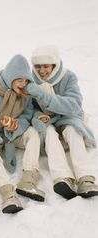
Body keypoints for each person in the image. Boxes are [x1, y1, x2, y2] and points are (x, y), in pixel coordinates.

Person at [26, 45, 98, 199]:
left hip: (69, 116)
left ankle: (85, 177)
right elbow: (29, 108)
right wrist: (38, 117)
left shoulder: (68, 77)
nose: (42, 71)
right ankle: (62, 177)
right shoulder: (30, 81)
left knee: (73, 131)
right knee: (50, 134)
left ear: (54, 64)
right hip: (48, 120)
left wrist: (44, 96)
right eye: (38, 66)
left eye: (46, 66)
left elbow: (74, 104)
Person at [0, 54, 45, 206]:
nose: (23, 84)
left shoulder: (25, 95)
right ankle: (8, 194)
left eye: (26, 80)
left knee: (33, 133)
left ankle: (29, 179)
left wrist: (17, 125)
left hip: (12, 134)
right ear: (10, 78)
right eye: (19, 80)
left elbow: (27, 116)